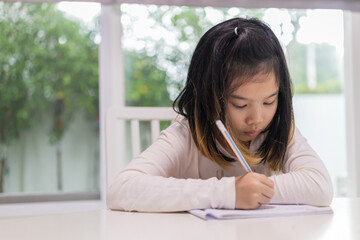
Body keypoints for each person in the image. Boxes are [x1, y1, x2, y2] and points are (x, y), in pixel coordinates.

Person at [107, 17, 333, 212]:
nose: (256, 118)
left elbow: (320, 186)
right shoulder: (186, 134)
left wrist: (254, 192)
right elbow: (122, 189)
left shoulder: (280, 131)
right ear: (208, 97)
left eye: (269, 101)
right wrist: (228, 193)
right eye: (240, 105)